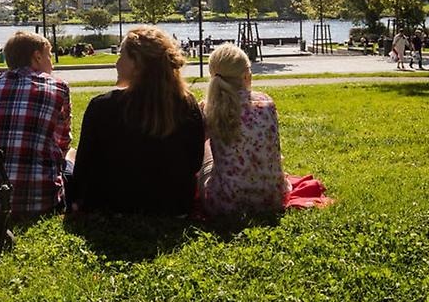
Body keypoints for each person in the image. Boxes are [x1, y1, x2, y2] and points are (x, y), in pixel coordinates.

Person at [69, 26, 204, 215]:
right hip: (174, 205)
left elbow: (84, 170)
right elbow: (194, 162)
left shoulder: (102, 107)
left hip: (110, 205)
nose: (116, 63)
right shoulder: (188, 106)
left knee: (70, 157)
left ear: (137, 64)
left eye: (121, 55)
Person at [0, 31, 72, 217]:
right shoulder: (58, 87)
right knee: (72, 155)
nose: (52, 64)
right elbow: (63, 143)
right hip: (41, 200)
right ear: (37, 56)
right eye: (49, 56)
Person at [198, 43, 287, 218]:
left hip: (225, 203)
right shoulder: (266, 102)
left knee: (205, 148)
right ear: (246, 75)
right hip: (272, 198)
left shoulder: (211, 109)